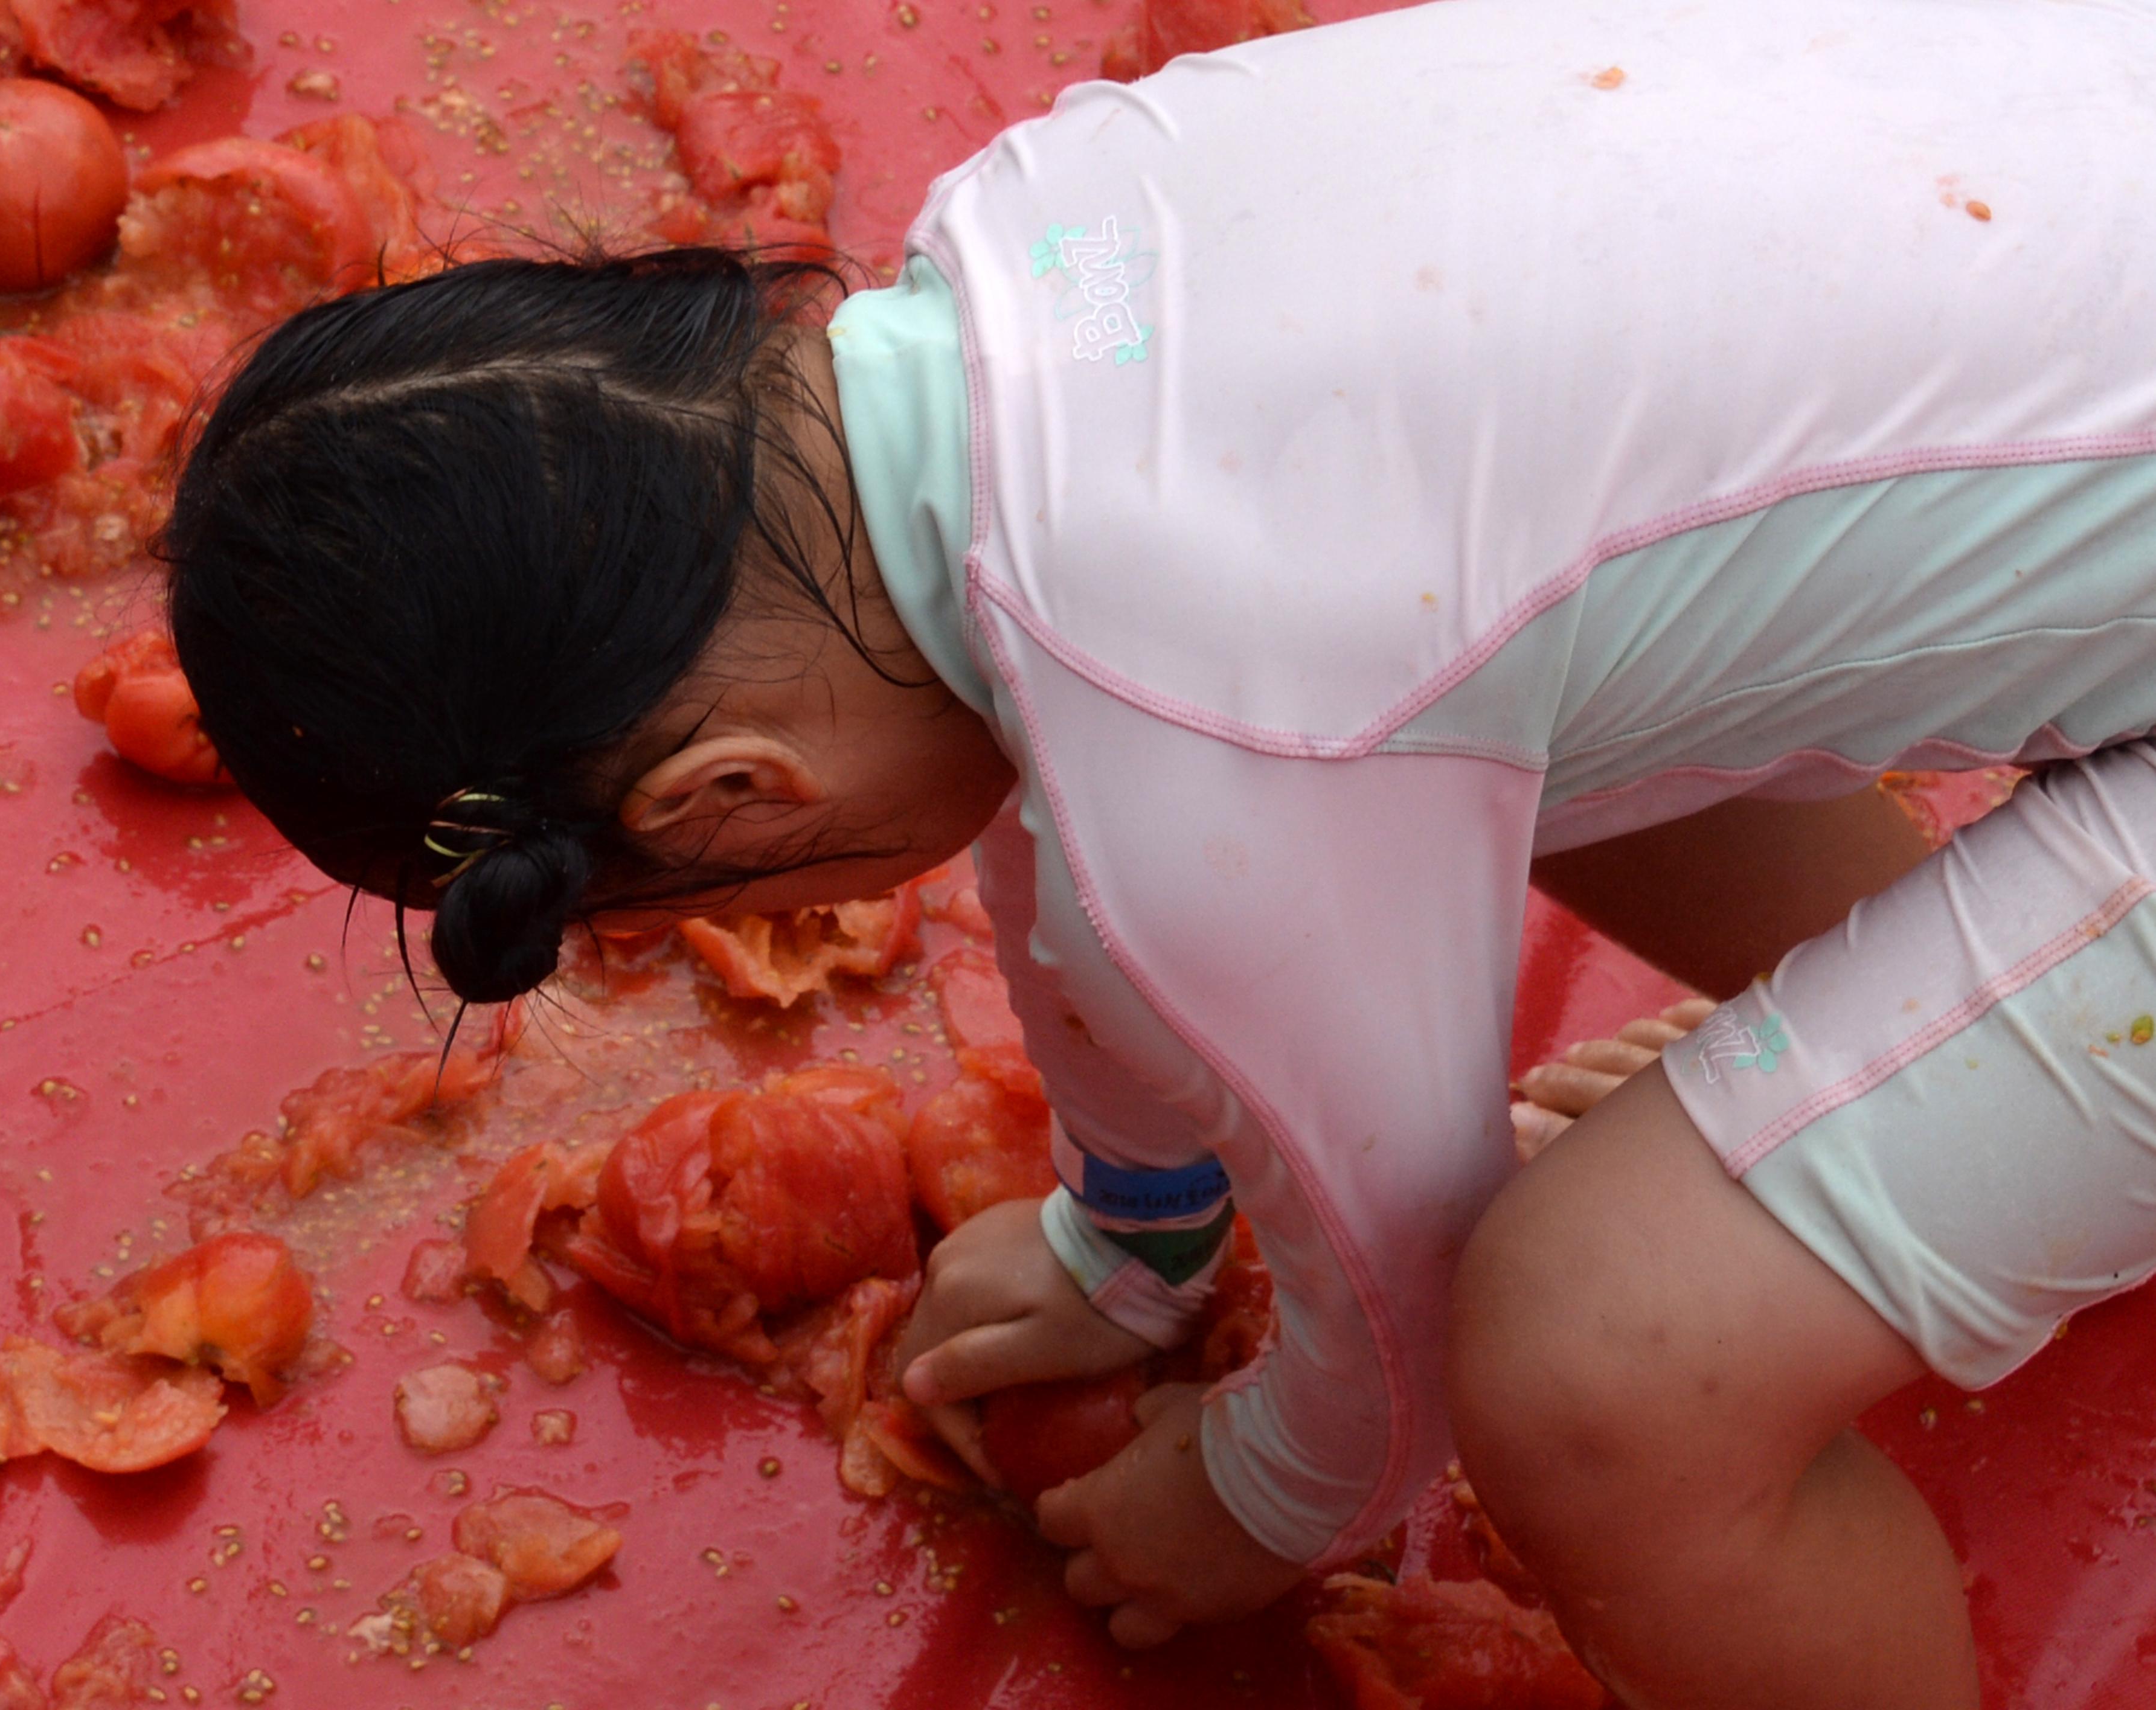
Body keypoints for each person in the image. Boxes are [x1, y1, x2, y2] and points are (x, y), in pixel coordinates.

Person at [161, 0, 2156, 1702]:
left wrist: (1262, 1494)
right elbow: (1108, 823)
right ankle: (1962, 1118)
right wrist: (1134, 1238)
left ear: (726, 809)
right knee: (1461, 667)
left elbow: (1408, 1299)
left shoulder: (1217, 723)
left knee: (1586, 1371)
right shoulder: (1053, 253)